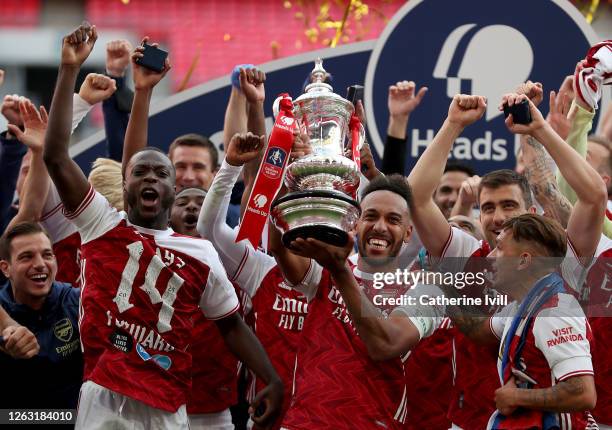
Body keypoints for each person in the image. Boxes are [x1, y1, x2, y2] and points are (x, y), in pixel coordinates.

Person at [42, 23, 282, 429]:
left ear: (176, 189)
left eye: (161, 173)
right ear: (126, 183)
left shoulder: (202, 253)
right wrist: (69, 71)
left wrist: (272, 377)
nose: (151, 178)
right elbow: (55, 157)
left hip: (168, 406)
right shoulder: (101, 224)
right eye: (141, 173)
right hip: (103, 394)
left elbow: (231, 325)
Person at [407, 91, 606, 429]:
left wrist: (539, 129)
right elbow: (416, 196)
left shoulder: (559, 261)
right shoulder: (466, 255)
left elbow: (594, 195)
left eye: (508, 206)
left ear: (531, 212)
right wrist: (453, 124)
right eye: (487, 208)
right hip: (472, 422)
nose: (497, 217)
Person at [454, 214, 596, 429]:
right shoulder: (523, 305)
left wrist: (517, 396)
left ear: (523, 260)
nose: (490, 256)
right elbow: (479, 331)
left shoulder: (555, 312)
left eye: (500, 248)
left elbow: (583, 393)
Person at [0, 222, 82, 409]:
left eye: (47, 255)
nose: (39, 264)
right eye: (26, 257)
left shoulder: (75, 301)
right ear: (6, 268)